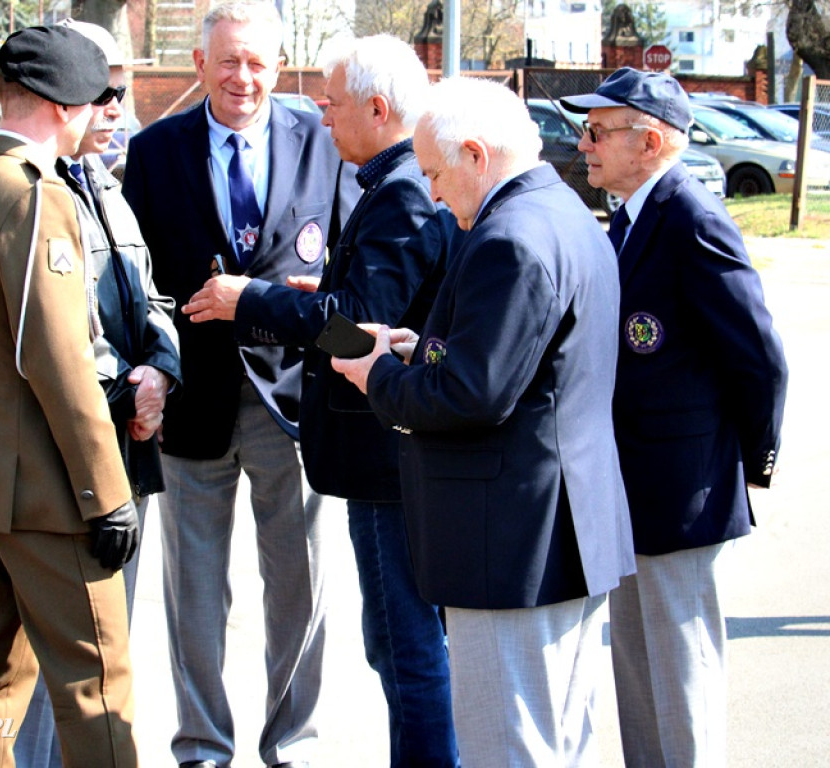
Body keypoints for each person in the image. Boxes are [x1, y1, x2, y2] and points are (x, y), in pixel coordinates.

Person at [331, 76, 636, 768]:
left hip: (512, 542)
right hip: (557, 530)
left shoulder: (512, 238)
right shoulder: (559, 211)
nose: (432, 194)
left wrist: (375, 372)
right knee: (557, 739)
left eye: (436, 174)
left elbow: (470, 398)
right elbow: (523, 364)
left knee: (510, 746)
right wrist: (422, 350)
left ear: (476, 155)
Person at [182, 34, 459, 767]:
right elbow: (363, 306)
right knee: (400, 644)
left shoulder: (400, 193)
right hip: (381, 456)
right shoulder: (389, 181)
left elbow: (356, 335)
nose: (323, 117)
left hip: (387, 459)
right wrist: (319, 293)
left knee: (405, 650)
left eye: (333, 105)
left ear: (377, 107)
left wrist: (254, 300)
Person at [121, 2, 358, 766]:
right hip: (194, 405)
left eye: (257, 62)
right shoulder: (155, 153)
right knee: (194, 593)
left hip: (294, 400)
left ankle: (293, 743)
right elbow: (135, 284)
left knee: (298, 588)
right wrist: (152, 368)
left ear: (278, 66)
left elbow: (356, 272)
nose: (243, 78)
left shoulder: (324, 144)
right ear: (199, 65)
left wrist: (319, 290)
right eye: (228, 61)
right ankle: (202, 746)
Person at [0, 25, 139, 767]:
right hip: (47, 490)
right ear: (61, 103)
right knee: (96, 686)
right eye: (97, 100)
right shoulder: (36, 195)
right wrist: (106, 492)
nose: (98, 115)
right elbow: (61, 358)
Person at [560, 67, 789, 767]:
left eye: (598, 132)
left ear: (651, 141)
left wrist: (748, 464)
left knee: (681, 678)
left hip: (682, 493)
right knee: (638, 672)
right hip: (633, 489)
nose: (585, 146)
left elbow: (760, 357)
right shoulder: (631, 217)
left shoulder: (691, 217)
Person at [13, 19, 182, 768]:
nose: (114, 104)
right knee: (59, 671)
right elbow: (60, 342)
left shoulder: (104, 184)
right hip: (65, 466)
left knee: (103, 655)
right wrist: (128, 392)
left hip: (123, 455)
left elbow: (151, 302)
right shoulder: (33, 195)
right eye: (101, 88)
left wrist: (161, 373)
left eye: (122, 87)